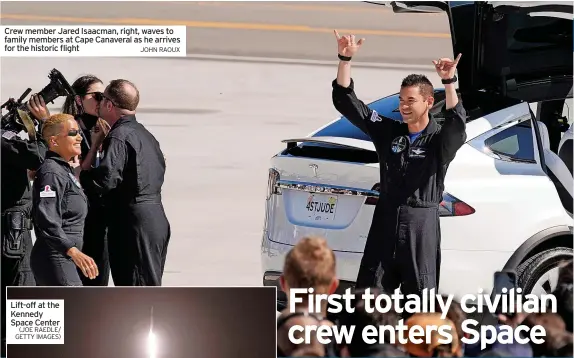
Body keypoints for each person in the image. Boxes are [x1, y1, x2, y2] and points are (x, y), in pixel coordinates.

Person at [331, 30, 467, 297]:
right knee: (369, 297)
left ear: (429, 102)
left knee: (420, 300)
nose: (404, 106)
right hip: (386, 220)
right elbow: (350, 105)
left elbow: (457, 125)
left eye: (411, 101)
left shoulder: (439, 139)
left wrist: (449, 81)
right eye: (402, 100)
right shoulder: (389, 131)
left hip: (421, 224)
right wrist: (344, 60)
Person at [79, 79, 171, 286]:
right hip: (154, 218)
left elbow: (103, 182)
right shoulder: (146, 135)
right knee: (147, 286)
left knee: (134, 289)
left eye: (101, 99)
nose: (99, 103)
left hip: (133, 224)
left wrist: (80, 175)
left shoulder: (119, 137)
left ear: (110, 105)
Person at [1, 94, 48, 355]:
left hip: (10, 230)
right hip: (11, 233)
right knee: (22, 292)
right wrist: (39, 125)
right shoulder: (4, 144)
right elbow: (38, 157)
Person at [30, 113, 99, 285]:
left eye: (78, 133)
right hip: (55, 256)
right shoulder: (51, 173)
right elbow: (47, 220)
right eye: (72, 133)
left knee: (72, 310)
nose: (79, 138)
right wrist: (73, 251)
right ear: (53, 141)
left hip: (63, 256)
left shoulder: (63, 170)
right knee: (76, 309)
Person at [61, 75, 111, 286]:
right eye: (97, 96)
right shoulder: (71, 128)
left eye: (105, 96)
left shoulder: (105, 126)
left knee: (99, 277)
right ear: (80, 99)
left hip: (100, 214)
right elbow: (74, 170)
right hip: (78, 216)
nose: (102, 100)